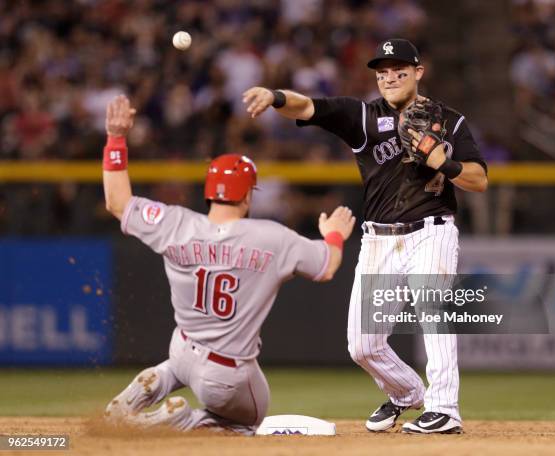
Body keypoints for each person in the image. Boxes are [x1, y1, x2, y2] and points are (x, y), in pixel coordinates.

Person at [243, 38, 488, 434]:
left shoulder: (449, 119)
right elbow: (306, 106)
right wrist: (273, 96)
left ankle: (444, 409)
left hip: (432, 231)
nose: (390, 78)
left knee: (432, 312)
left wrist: (446, 162)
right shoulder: (362, 117)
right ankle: (408, 395)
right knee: (363, 346)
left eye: (399, 71)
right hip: (379, 240)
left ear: (418, 73)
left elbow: (479, 180)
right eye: (382, 72)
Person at [102, 95, 355, 434]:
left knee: (180, 366)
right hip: (225, 375)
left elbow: (117, 202)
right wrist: (334, 235)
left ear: (209, 192)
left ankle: (150, 385)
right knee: (249, 421)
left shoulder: (175, 223)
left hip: (182, 348)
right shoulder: (272, 238)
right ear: (249, 195)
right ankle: (183, 421)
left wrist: (116, 137)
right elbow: (327, 266)